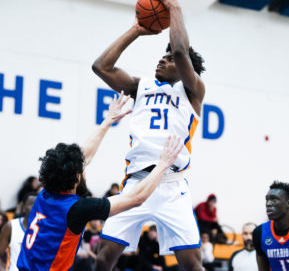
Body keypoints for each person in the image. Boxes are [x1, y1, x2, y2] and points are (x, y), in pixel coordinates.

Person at [92, 0, 206, 269]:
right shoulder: (140, 86)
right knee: (104, 259)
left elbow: (180, 51)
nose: (162, 60)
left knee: (193, 266)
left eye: (168, 60)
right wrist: (136, 30)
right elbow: (100, 66)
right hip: (136, 182)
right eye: (162, 57)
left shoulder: (192, 91)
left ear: (184, 69)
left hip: (172, 184)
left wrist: (176, 9)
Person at [16, 93, 184, 271]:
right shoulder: (76, 209)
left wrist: (108, 120)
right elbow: (136, 198)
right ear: (76, 177)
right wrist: (163, 165)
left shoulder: (45, 194)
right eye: (82, 169)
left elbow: (83, 158)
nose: (85, 167)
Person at [0, 195, 37, 271]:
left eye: (39, 205)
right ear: (23, 208)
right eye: (32, 205)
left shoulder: (47, 230)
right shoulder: (11, 226)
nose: (36, 208)